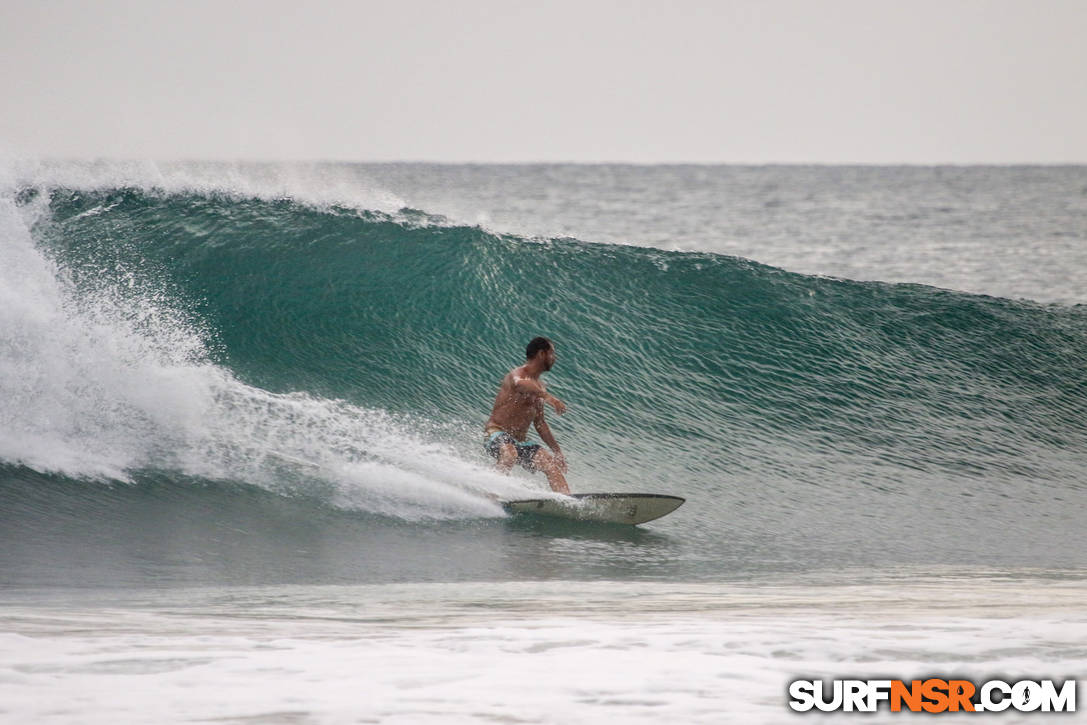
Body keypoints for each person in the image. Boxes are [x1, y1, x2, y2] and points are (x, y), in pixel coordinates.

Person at [484, 337, 570, 494]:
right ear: (542, 354)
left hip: (520, 442)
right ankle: (490, 494)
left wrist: (557, 451)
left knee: (550, 465)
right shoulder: (517, 375)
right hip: (496, 433)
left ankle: (568, 502)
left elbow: (540, 423)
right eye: (552, 353)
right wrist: (548, 397)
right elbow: (520, 384)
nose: (555, 358)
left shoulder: (540, 386)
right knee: (509, 454)